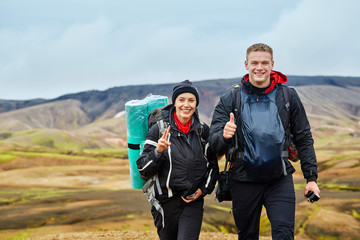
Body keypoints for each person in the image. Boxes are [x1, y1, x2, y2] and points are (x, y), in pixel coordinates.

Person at [209, 43, 320, 240]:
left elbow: (303, 137)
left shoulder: (288, 96)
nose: (259, 67)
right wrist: (224, 135)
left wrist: (311, 179)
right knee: (248, 235)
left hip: (279, 178)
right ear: (246, 64)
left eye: (264, 63)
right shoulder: (231, 97)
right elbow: (213, 141)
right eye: (254, 63)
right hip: (242, 179)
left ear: (272, 64)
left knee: (284, 234)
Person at [137, 80, 219, 240]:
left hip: (192, 201)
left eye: (191, 100)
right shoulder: (158, 130)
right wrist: (158, 151)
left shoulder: (202, 130)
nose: (186, 105)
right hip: (164, 203)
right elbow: (143, 169)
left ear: (196, 103)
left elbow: (213, 165)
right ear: (174, 102)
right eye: (181, 100)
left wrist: (204, 189)